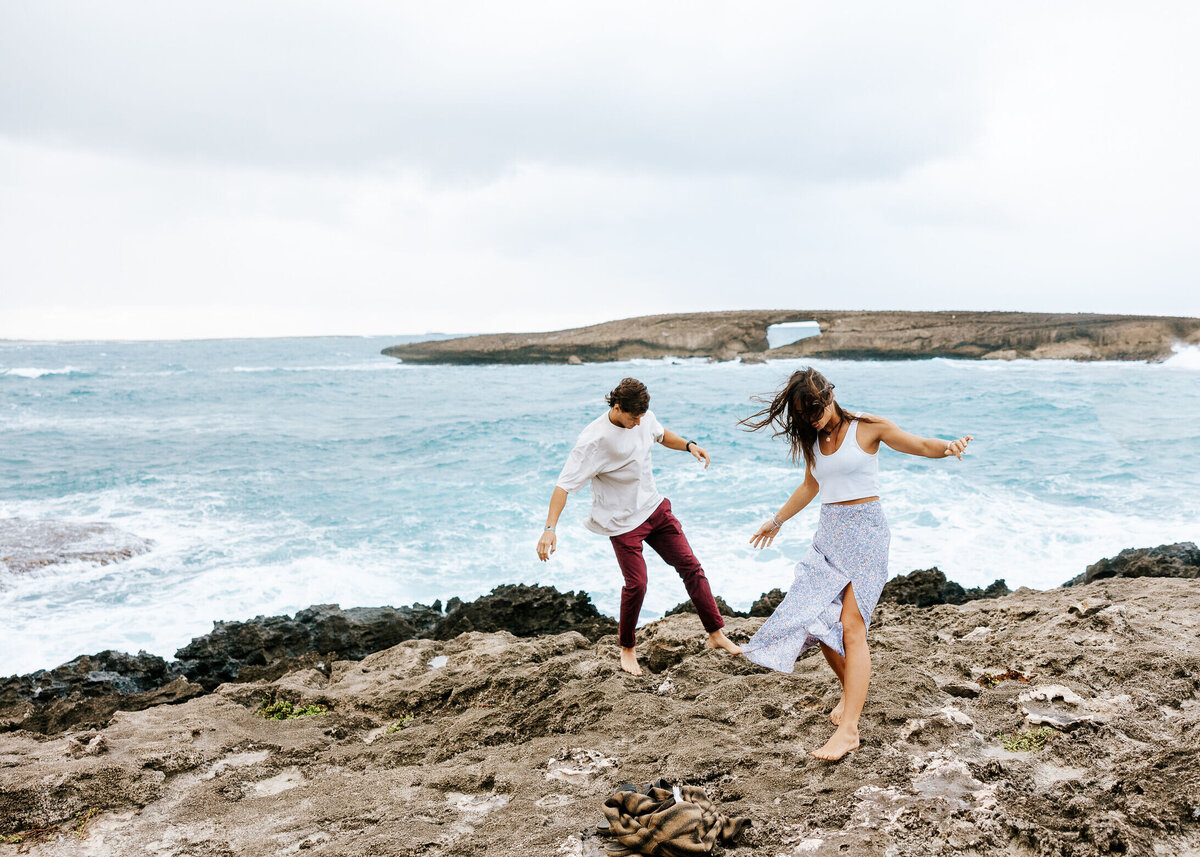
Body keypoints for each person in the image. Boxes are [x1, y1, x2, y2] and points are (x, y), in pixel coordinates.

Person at [739, 367, 972, 761]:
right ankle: (852, 697)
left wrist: (947, 447)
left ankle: (849, 729)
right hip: (829, 535)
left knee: (851, 626)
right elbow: (812, 486)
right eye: (806, 415)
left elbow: (917, 444)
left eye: (817, 409)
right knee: (818, 620)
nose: (815, 419)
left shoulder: (868, 427)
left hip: (866, 534)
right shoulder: (812, 439)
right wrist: (776, 521)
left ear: (830, 395)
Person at [537, 377, 742, 676]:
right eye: (634, 417)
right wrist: (550, 528)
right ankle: (628, 649)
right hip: (621, 523)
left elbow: (660, 435)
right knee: (637, 584)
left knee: (691, 566)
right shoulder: (593, 440)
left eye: (642, 417)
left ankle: (716, 634)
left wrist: (688, 446)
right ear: (618, 408)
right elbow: (563, 486)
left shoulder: (643, 418)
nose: (638, 423)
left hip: (654, 508)